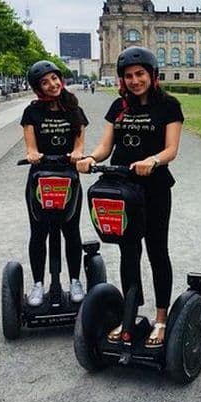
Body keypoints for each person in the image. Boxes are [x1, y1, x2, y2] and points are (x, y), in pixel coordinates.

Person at [76, 46, 183, 348]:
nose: (135, 80)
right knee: (128, 252)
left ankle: (161, 319)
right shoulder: (118, 107)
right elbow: (105, 147)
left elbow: (171, 149)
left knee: (157, 251)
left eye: (140, 74)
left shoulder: (169, 106)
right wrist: (90, 158)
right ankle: (130, 315)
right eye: (129, 76)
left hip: (155, 187)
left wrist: (153, 160)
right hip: (122, 189)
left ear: (152, 75)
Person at [21, 60, 88, 306]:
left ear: (61, 78)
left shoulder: (74, 109)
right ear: (37, 88)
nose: (52, 84)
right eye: (45, 82)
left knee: (71, 230)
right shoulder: (32, 112)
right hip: (41, 178)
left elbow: (79, 143)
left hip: (68, 178)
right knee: (39, 231)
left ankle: (75, 280)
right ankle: (38, 283)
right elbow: (30, 145)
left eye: (54, 78)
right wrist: (32, 154)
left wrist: (77, 153)